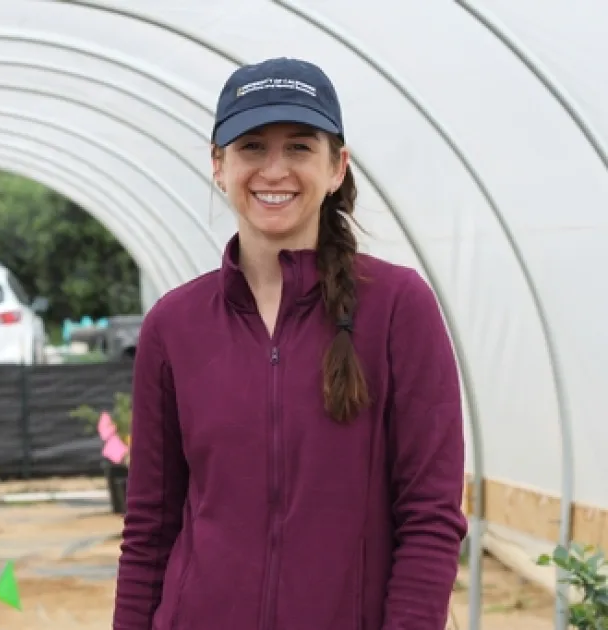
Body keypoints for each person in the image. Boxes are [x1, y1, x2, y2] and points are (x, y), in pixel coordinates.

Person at [113, 58, 468, 629]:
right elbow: (150, 529)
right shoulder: (174, 325)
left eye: (299, 147)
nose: (274, 170)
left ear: (336, 167)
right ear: (219, 165)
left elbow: (430, 516)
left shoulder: (398, 308)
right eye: (252, 147)